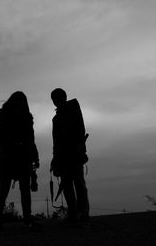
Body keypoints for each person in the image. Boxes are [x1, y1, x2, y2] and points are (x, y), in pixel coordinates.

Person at [0, 91, 40, 229]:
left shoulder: (27, 118)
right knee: (5, 189)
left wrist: (35, 157)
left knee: (23, 189)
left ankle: (27, 218)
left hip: (23, 157)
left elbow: (31, 139)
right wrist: (9, 142)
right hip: (8, 156)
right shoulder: (4, 116)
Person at [50, 88, 90, 226]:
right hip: (62, 156)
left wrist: (79, 147)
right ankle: (73, 213)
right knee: (67, 185)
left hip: (75, 153)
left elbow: (80, 130)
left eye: (57, 98)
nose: (55, 102)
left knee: (78, 183)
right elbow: (56, 140)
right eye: (53, 99)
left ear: (64, 97)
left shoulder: (74, 111)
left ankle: (83, 213)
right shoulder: (55, 119)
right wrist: (55, 157)